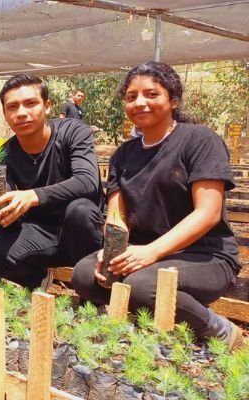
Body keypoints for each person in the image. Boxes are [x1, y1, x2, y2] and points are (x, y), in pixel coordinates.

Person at [72, 61, 243, 348]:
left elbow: (209, 213)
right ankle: (131, 323)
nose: (140, 102)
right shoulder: (123, 154)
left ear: (173, 100)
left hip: (203, 256)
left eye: (152, 94)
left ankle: (219, 330)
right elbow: (116, 214)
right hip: (141, 252)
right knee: (86, 275)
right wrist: (111, 251)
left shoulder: (199, 140)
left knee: (142, 285)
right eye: (131, 97)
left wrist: (152, 252)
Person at [0, 74, 103, 289]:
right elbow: (5, 193)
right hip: (41, 231)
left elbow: (87, 181)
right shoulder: (3, 154)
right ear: (5, 114)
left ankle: (93, 296)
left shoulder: (74, 132)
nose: (21, 113)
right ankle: (35, 280)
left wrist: (34, 195)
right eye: (12, 107)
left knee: (80, 210)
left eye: (30, 103)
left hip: (82, 232)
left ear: (47, 106)